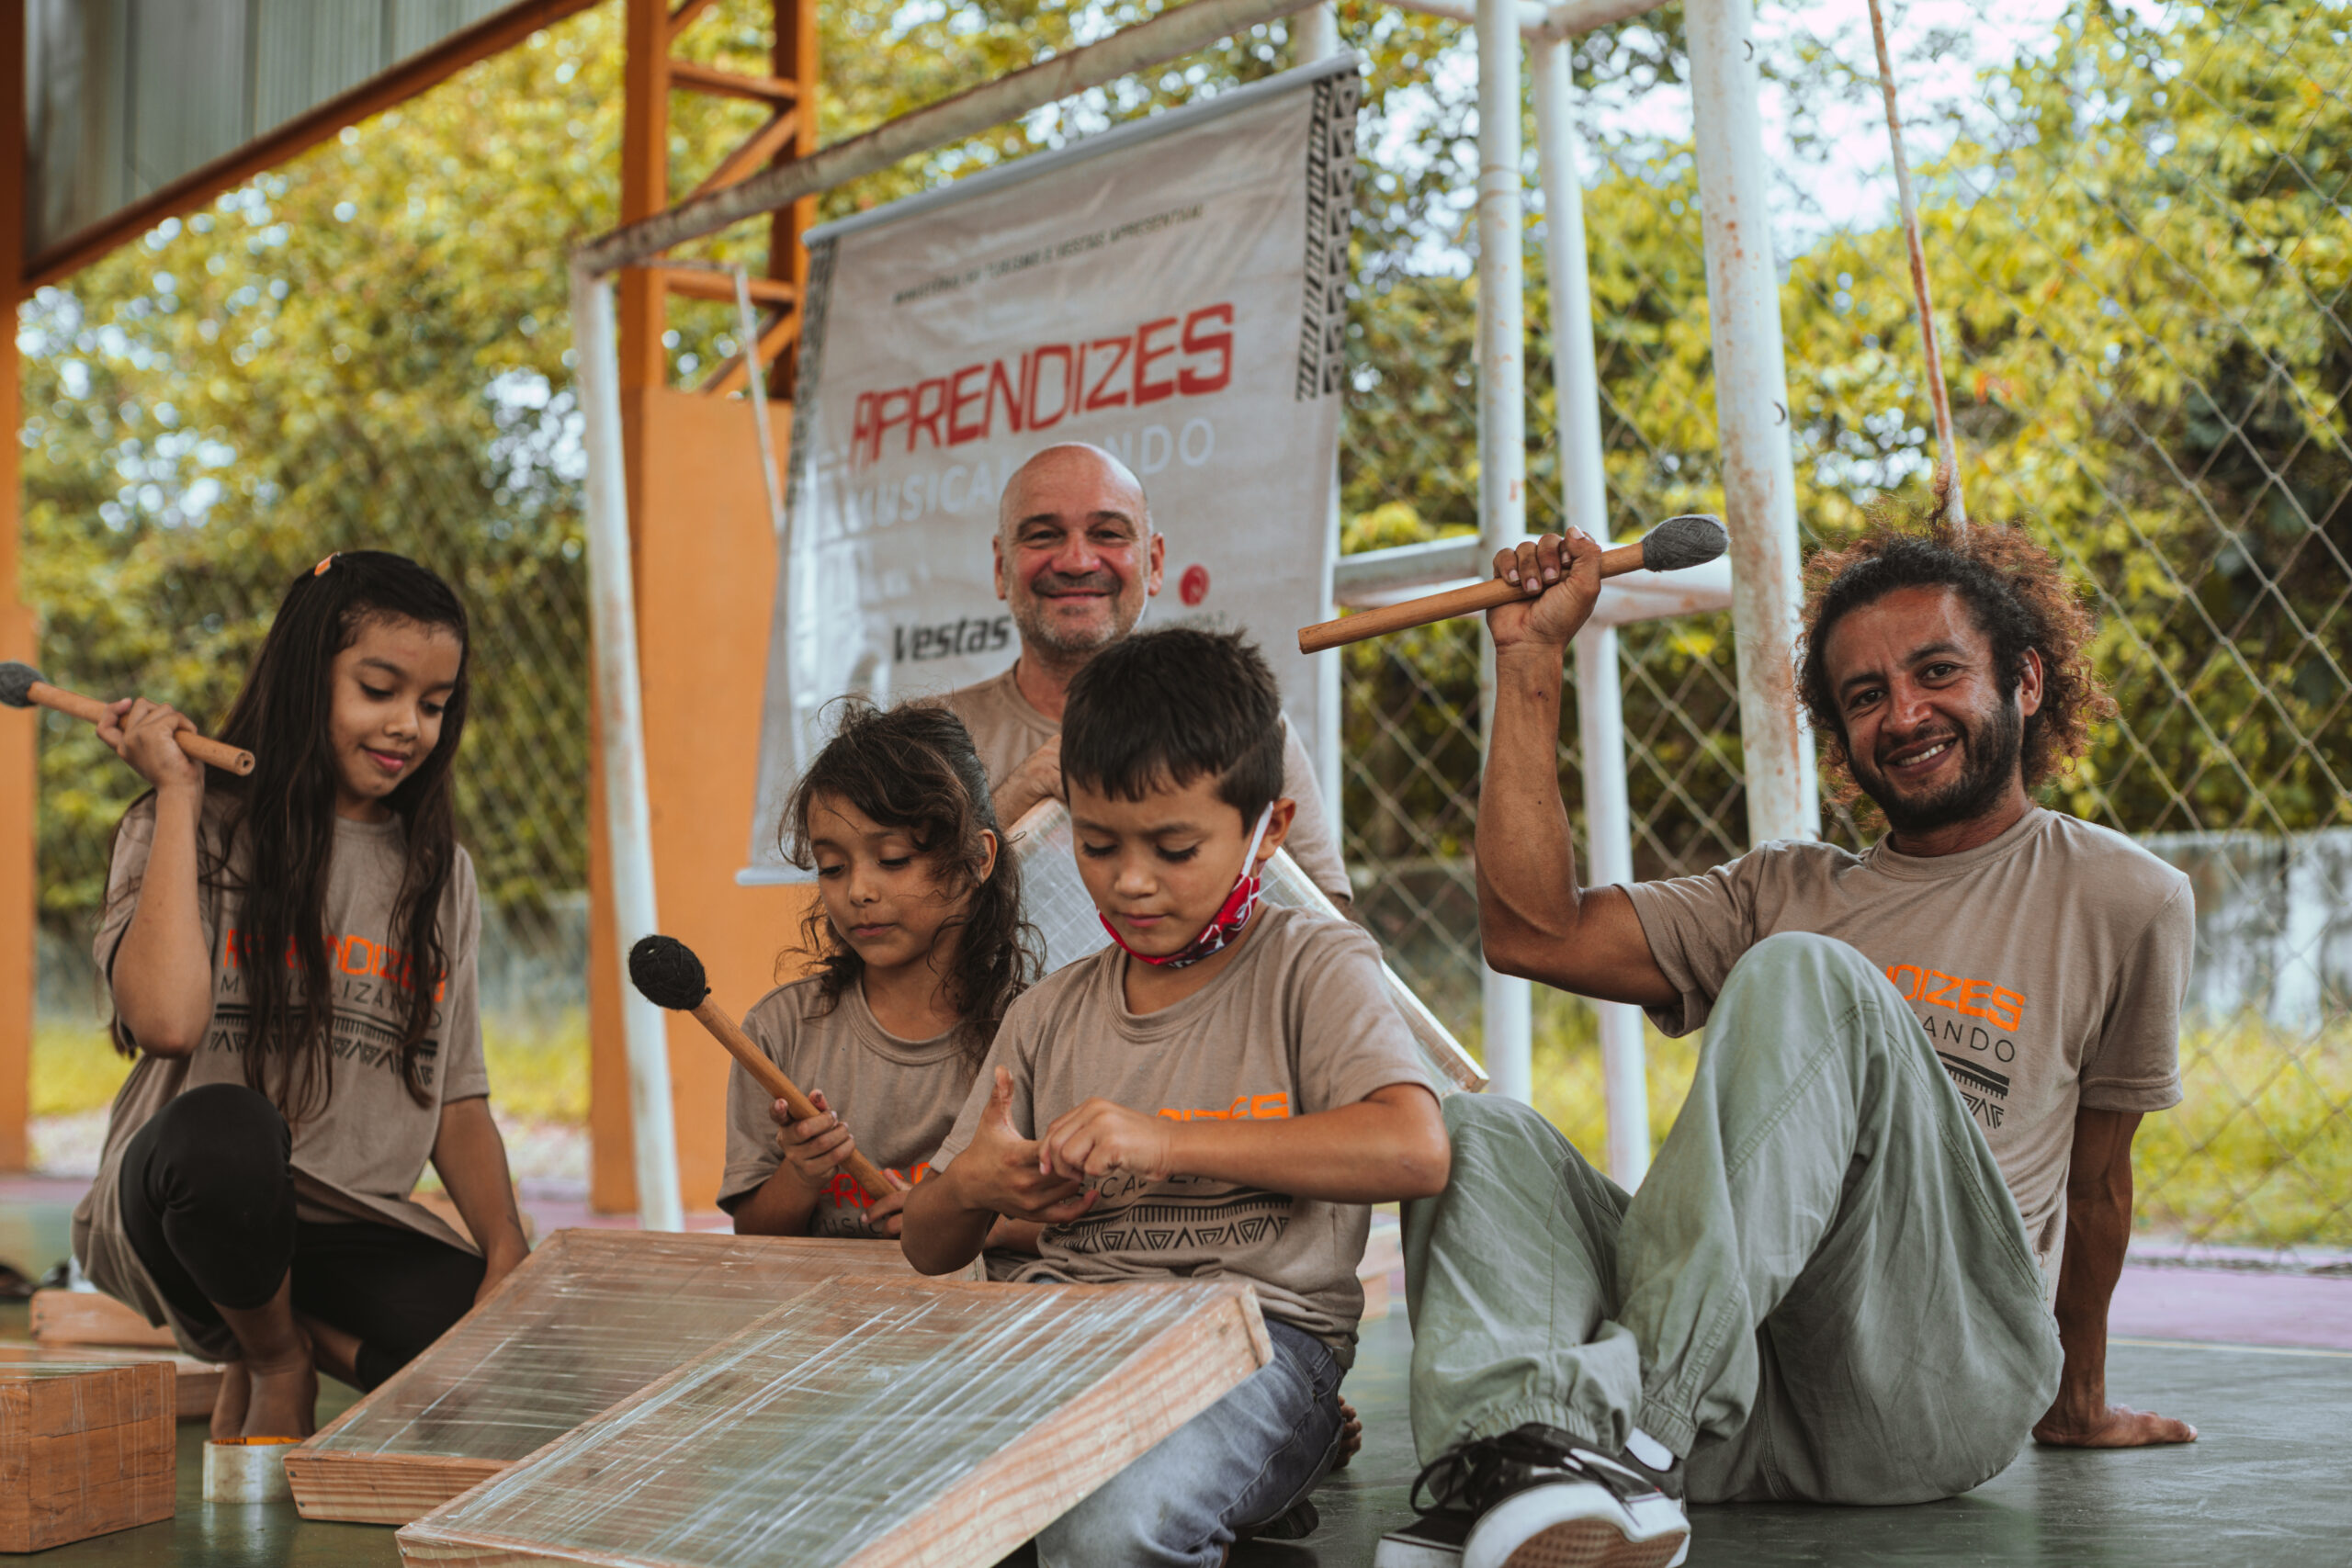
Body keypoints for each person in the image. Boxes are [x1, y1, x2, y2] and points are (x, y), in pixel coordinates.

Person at [1384, 516, 2198, 1568]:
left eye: (1937, 672)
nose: (1903, 715)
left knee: (1803, 971)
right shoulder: (1786, 888)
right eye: (1864, 697)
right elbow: (1528, 932)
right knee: (1473, 1133)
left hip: (1928, 1387)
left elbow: (2096, 1187)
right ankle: (1514, 1472)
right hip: (1746, 1391)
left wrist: (2075, 1400)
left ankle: (1621, 1438)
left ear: (2026, 683)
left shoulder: (2124, 896)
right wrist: (1532, 662)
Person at [904, 627, 1451, 1565]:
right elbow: (926, 1243)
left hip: (1254, 1349)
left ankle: (1288, 1452)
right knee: (868, 1493)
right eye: (1097, 842)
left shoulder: (1313, 965)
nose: (1130, 881)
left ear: (1267, 830)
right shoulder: (1048, 1012)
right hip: (1056, 1336)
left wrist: (1167, 1143)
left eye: (1173, 846)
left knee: (1112, 1526)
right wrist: (970, 1189)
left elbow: (1412, 1147)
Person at [73, 551, 529, 1442]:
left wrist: (507, 1245)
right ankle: (279, 1358)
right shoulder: (188, 826)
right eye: (378, 688)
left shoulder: (441, 875)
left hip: (341, 1224)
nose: (408, 726)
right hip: (188, 1200)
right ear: (305, 676)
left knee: (525, 1366)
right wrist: (175, 793)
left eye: (433, 705)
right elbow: (166, 1022)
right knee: (228, 1131)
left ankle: (289, 1335)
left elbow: (456, 1095)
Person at [940, 442, 1354, 909]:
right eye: (1042, 535)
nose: (1077, 561)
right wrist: (1016, 799)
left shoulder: (1238, 719)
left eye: (1109, 534)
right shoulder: (930, 738)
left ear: (1154, 564)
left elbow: (1327, 918)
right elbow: (893, 931)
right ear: (1001, 568)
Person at [719, 701, 1042, 1271]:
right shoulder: (779, 1031)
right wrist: (801, 1173)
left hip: (979, 1331)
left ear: (977, 859)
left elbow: (1076, 1224)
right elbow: (754, 1234)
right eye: (832, 867)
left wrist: (958, 1219)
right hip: (825, 1327)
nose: (859, 891)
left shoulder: (1039, 1026)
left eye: (892, 859)